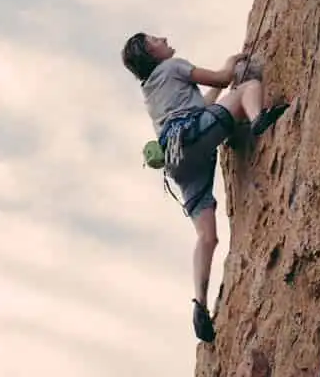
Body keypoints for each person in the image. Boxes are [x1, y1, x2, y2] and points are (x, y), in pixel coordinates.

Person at [121, 32, 289, 343]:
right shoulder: (173, 67)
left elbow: (203, 108)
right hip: (193, 139)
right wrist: (232, 63)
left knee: (206, 236)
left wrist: (221, 92)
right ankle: (258, 119)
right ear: (151, 53)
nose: (164, 37)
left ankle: (200, 302)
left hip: (178, 160)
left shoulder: (151, 90)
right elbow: (225, 79)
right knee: (249, 87)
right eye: (155, 39)